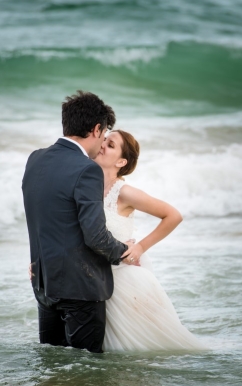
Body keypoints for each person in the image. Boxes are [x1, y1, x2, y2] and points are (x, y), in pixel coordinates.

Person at [22, 91, 136, 353]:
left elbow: (42, 219)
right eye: (104, 133)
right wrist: (124, 251)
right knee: (88, 368)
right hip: (81, 289)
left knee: (53, 364)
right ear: (96, 129)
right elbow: (95, 236)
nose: (103, 141)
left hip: (44, 284)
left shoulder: (35, 159)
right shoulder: (87, 169)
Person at [94, 130, 206, 351]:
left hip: (123, 280)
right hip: (95, 278)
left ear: (121, 162)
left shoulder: (124, 192)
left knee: (137, 350)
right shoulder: (88, 187)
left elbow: (173, 215)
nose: (103, 144)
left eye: (111, 144)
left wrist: (140, 247)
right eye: (104, 139)